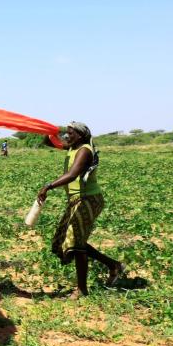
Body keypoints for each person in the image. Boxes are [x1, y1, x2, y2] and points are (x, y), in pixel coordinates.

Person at [37, 122, 125, 298]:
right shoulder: (72, 146)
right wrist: (47, 130)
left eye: (70, 133)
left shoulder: (84, 150)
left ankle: (82, 289)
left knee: (76, 244)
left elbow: (72, 175)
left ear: (81, 135)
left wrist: (48, 186)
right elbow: (49, 142)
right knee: (69, 241)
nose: (67, 136)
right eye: (66, 133)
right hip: (76, 200)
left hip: (88, 200)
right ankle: (114, 266)